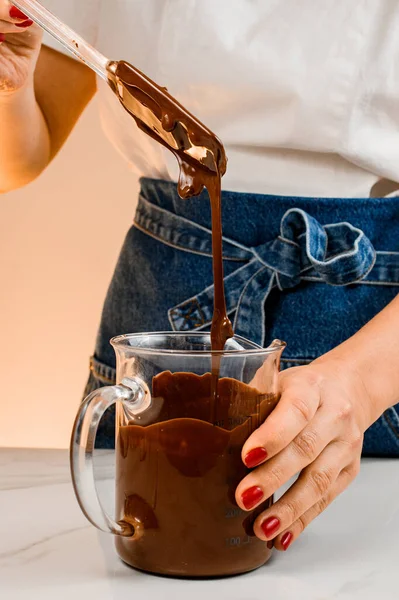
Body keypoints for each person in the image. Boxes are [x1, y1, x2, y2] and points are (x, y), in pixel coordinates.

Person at [1, 0, 399, 553]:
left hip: (381, 341)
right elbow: (19, 154)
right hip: (160, 304)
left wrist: (365, 380)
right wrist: (8, 84)